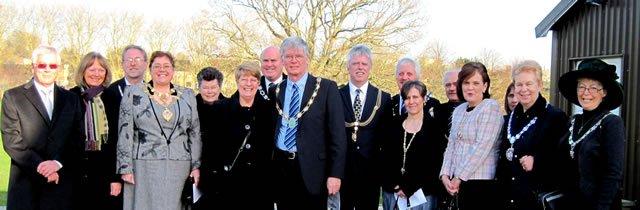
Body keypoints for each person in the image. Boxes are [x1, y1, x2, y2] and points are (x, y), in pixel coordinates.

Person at [1, 45, 84, 210]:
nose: (47, 69)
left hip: (62, 189)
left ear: (58, 69)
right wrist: (41, 166)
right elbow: (11, 140)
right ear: (33, 67)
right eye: (42, 65)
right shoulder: (13, 97)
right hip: (26, 188)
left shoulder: (71, 99)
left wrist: (57, 163)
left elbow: (77, 139)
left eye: (52, 66)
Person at [116, 51, 201, 210]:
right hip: (143, 165)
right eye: (157, 66)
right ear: (150, 69)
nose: (162, 69)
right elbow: (125, 132)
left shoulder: (187, 95)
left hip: (180, 165)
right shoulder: (134, 93)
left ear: (173, 70)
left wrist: (196, 166)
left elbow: (194, 133)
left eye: (167, 66)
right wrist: (125, 167)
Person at [271, 36, 347, 209]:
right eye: (288, 56)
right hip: (282, 168)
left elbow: (338, 136)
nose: (293, 60)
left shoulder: (327, 88)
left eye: (298, 56)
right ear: (282, 60)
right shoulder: (276, 90)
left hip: (314, 171)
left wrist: (335, 174)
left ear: (307, 59)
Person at [199, 61, 276, 209]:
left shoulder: (269, 111)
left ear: (259, 83)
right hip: (227, 187)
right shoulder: (220, 109)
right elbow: (210, 149)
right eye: (244, 79)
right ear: (237, 81)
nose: (248, 84)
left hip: (259, 189)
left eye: (253, 80)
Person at [496, 60, 568, 210]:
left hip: (535, 200)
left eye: (529, 84)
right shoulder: (509, 119)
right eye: (519, 85)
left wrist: (538, 162)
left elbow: (564, 161)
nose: (524, 89)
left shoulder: (555, 117)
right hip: (507, 198)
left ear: (539, 85)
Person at [558, 58, 624, 210]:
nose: (586, 93)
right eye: (581, 86)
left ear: (604, 92)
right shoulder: (573, 122)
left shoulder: (611, 123)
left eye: (593, 87)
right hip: (569, 203)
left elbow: (613, 174)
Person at [439, 62, 503, 210]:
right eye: (466, 82)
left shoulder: (490, 108)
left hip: (479, 183)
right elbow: (451, 145)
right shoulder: (459, 110)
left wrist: (458, 177)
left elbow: (481, 147)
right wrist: (444, 174)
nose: (470, 87)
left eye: (476, 83)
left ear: (485, 86)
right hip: (456, 183)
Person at [338, 44, 392, 209]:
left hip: (371, 174)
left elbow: (387, 139)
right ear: (348, 67)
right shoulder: (335, 94)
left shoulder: (383, 98)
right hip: (342, 172)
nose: (360, 67)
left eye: (364, 64)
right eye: (355, 63)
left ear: (370, 68)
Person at [68, 52, 124, 210]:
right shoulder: (70, 97)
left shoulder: (113, 98)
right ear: (83, 71)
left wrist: (116, 178)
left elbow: (118, 141)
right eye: (91, 69)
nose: (96, 74)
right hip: (75, 173)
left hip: (104, 173)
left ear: (106, 73)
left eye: (101, 70)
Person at [381, 81, 447, 210]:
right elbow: (385, 158)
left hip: (422, 195)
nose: (411, 101)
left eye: (415, 97)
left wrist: (408, 187)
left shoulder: (434, 128)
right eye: (407, 98)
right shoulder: (393, 125)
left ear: (424, 98)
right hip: (394, 194)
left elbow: (434, 163)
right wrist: (396, 185)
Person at [103, 45, 148, 209]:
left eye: (137, 59)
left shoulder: (154, 92)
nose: (133, 64)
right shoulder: (109, 94)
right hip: (120, 171)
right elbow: (108, 138)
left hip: (146, 169)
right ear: (122, 64)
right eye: (129, 60)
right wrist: (114, 177)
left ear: (145, 64)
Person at [434, 69, 462, 136]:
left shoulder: (476, 110)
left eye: (455, 84)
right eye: (448, 85)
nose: (451, 88)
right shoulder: (437, 111)